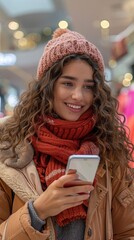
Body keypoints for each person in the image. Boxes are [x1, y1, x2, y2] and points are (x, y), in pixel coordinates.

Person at [0, 28, 134, 240]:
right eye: (68, 83)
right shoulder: (8, 148)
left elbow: (127, 231)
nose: (78, 96)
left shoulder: (109, 150)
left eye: (88, 87)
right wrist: (37, 211)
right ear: (47, 86)